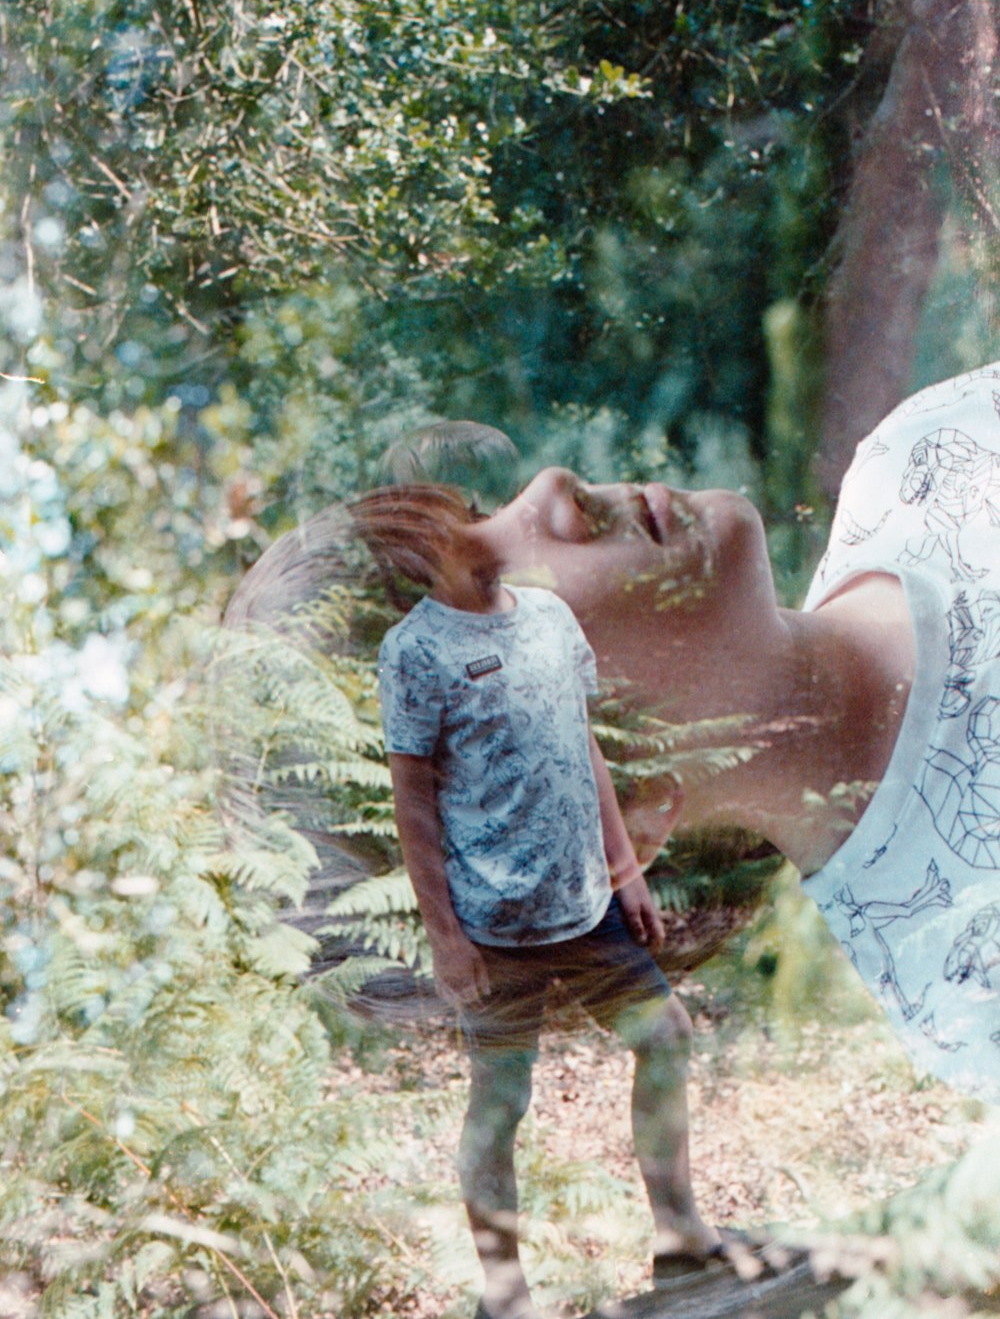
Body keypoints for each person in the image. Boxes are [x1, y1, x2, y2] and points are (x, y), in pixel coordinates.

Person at [461, 362, 1000, 1107]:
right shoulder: (970, 986)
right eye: (496, 598)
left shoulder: (924, 456)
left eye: (475, 510)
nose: (549, 489)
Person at [348, 485, 726, 1319]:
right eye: (470, 520)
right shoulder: (415, 651)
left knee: (663, 1040)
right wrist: (445, 938)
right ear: (429, 548)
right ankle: (504, 1290)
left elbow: (580, 741)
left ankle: (680, 1236)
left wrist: (626, 873)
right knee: (502, 1099)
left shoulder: (551, 617)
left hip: (585, 907)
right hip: (495, 925)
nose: (499, 526)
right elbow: (412, 804)